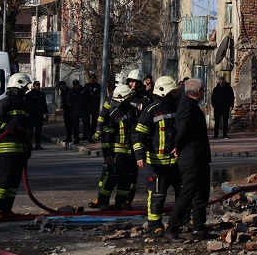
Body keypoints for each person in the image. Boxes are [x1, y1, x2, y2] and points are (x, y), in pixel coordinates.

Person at [133, 75, 181, 234]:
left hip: (175, 161)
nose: (175, 94)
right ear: (164, 92)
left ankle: (184, 219)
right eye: (172, 92)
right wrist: (139, 155)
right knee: (157, 194)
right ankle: (154, 224)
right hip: (157, 163)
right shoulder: (151, 110)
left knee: (183, 192)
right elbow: (138, 134)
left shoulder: (177, 107)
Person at [165, 78, 211, 240]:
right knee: (188, 192)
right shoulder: (187, 106)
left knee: (201, 192)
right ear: (198, 92)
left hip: (199, 157)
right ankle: (172, 228)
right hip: (191, 158)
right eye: (203, 90)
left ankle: (199, 226)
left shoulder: (190, 105)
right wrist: (178, 147)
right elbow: (182, 131)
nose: (204, 93)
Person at [0, 74, 33, 215]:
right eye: (24, 87)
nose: (26, 90)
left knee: (14, 182)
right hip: (6, 149)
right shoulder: (6, 103)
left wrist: (28, 144)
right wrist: (6, 127)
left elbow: (26, 128)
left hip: (20, 149)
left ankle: (6, 209)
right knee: (4, 182)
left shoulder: (23, 105)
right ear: (18, 86)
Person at [89, 82, 139, 210]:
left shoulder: (131, 111)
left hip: (130, 151)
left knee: (127, 178)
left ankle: (121, 202)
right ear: (122, 98)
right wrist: (107, 154)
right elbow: (107, 136)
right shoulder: (112, 114)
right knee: (111, 178)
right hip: (116, 154)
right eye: (128, 97)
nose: (131, 99)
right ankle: (103, 202)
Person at [24, 81, 47, 149]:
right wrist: (27, 113)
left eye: (38, 85)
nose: (37, 86)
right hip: (31, 115)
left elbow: (44, 104)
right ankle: (30, 145)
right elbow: (26, 104)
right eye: (36, 85)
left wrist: (46, 113)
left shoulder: (41, 94)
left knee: (38, 131)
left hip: (39, 115)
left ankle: (38, 144)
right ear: (33, 86)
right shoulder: (29, 94)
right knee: (30, 131)